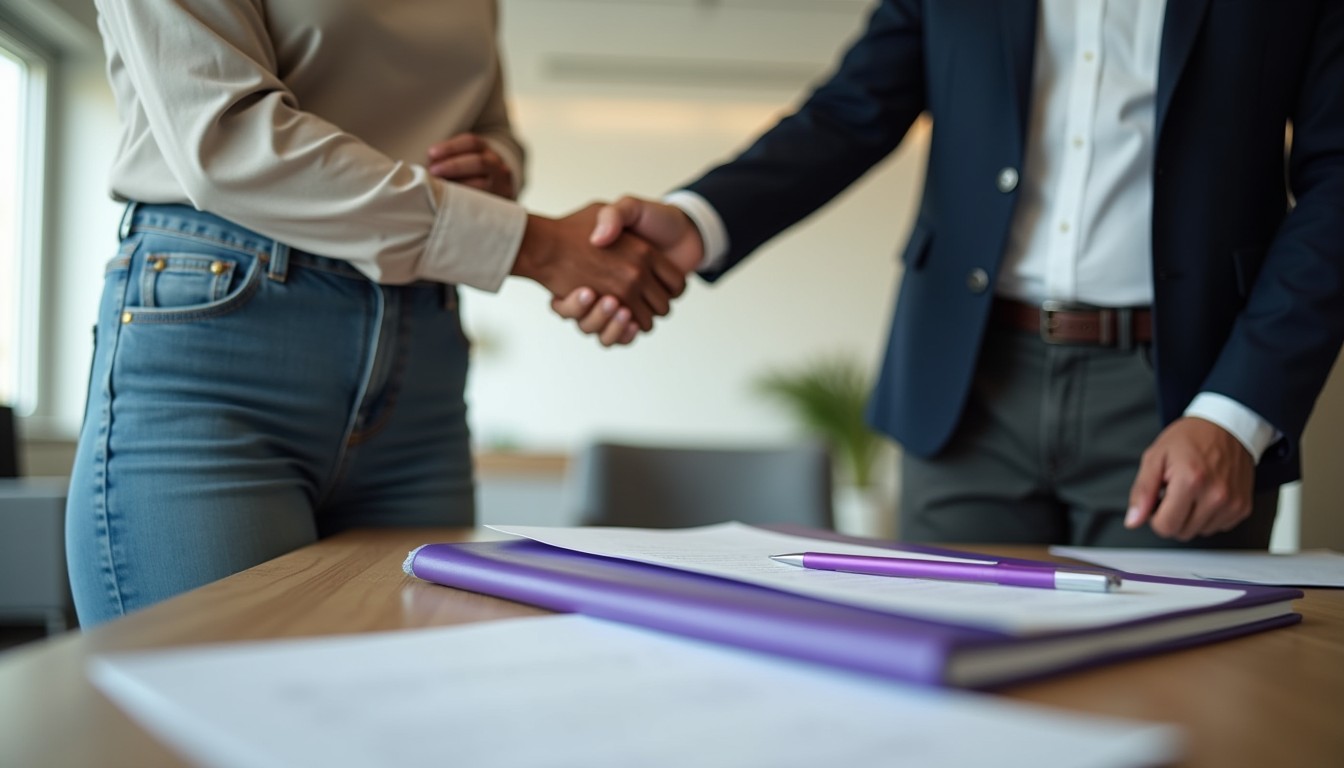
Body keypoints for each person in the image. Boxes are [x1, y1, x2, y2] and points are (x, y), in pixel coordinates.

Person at [559, 0, 1344, 548]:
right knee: (954, 703)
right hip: (967, 395)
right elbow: (851, 110)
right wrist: (698, 221)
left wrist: (1238, 412)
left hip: (1188, 398)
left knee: (1186, 704)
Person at [66, 0, 684, 626]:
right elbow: (225, 137)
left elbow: (491, 121)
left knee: (413, 691)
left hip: (421, 349)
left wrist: (496, 168)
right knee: (207, 691)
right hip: (225, 330)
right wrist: (536, 244)